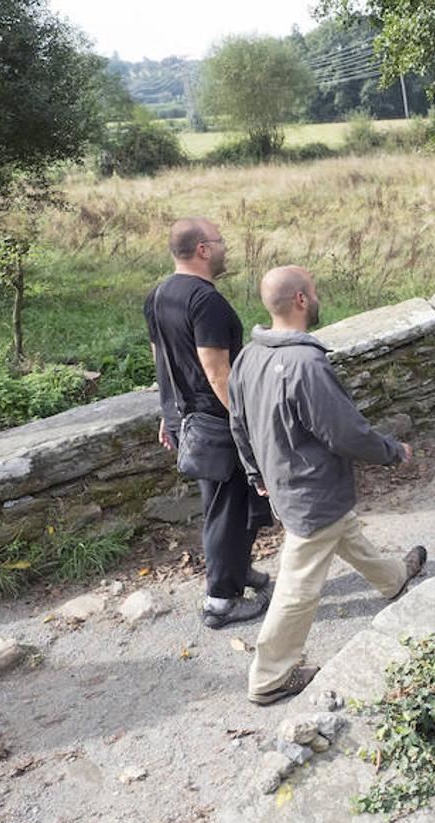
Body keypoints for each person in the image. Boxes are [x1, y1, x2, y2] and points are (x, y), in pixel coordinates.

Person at [229, 265, 427, 706]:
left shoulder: (247, 357)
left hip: (286, 486)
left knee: (345, 532)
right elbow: (345, 433)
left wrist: (255, 474)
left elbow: (237, 422)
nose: (317, 298)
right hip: (311, 491)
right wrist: (393, 451)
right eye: (314, 291)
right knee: (299, 584)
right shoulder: (305, 364)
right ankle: (270, 677)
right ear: (301, 300)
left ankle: (394, 579)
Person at [145, 217, 273, 629]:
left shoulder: (158, 295)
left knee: (237, 502)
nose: (225, 248)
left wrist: (168, 414)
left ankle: (239, 572)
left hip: (188, 420)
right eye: (220, 241)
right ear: (203, 249)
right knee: (226, 509)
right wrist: (245, 422)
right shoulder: (206, 301)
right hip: (216, 422)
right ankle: (220, 602)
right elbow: (216, 371)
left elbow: (161, 360)